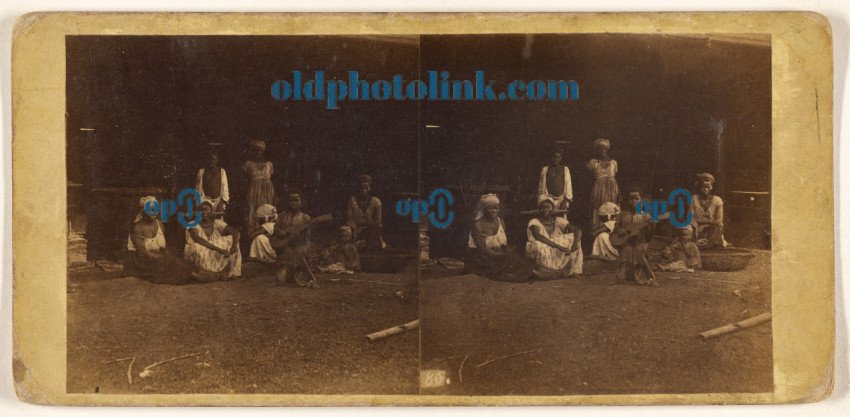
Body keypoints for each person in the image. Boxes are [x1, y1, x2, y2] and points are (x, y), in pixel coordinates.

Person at [124, 196, 191, 283]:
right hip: (140, 262)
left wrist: (168, 256)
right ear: (143, 211)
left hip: (155, 257)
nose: (153, 212)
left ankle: (194, 274)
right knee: (170, 270)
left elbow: (163, 247)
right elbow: (142, 253)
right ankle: (193, 276)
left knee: (176, 263)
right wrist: (161, 259)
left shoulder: (159, 224)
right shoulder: (137, 227)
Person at [184, 198, 242, 282]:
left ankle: (230, 273)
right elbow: (198, 239)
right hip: (203, 249)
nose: (203, 212)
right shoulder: (193, 224)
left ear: (211, 211)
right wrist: (220, 250)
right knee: (196, 247)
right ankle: (210, 274)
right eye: (201, 210)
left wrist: (234, 245)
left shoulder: (217, 223)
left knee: (231, 239)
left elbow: (236, 232)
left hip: (213, 250)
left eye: (206, 209)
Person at [525, 194, 583, 279]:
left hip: (556, 251)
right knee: (537, 244)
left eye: (547, 207)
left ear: (553, 208)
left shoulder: (559, 220)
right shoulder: (534, 222)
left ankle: (572, 270)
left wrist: (575, 243)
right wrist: (560, 247)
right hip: (545, 247)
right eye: (542, 208)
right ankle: (547, 272)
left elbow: (577, 230)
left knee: (573, 237)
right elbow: (539, 237)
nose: (544, 210)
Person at [610, 187, 656, 286]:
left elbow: (649, 235)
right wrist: (620, 230)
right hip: (625, 242)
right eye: (631, 199)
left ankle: (649, 278)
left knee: (638, 251)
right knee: (627, 250)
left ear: (641, 200)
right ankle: (620, 277)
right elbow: (615, 229)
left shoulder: (645, 216)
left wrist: (649, 226)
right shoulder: (622, 214)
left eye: (636, 198)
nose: (633, 201)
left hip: (641, 242)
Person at [273, 190, 319, 288]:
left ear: (301, 202)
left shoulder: (305, 218)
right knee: (287, 253)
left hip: (300, 244)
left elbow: (308, 237)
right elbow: (275, 230)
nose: (293, 203)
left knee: (299, 253)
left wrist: (311, 228)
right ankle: (288, 277)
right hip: (285, 245)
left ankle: (309, 280)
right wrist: (280, 232)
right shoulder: (282, 216)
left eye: (296, 200)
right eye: (291, 200)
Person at [467, 193, 513, 277]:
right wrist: (502, 255)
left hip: (498, 256)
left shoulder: (501, 222)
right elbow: (483, 249)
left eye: (497, 208)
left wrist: (508, 252)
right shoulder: (477, 225)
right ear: (484, 209)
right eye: (492, 208)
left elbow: (505, 244)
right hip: (482, 258)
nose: (495, 211)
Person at [586, 138, 619, 228]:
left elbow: (615, 177)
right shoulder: (593, 163)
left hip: (611, 189)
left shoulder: (613, 163)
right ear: (597, 151)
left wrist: (617, 191)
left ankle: (610, 230)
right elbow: (590, 179)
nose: (602, 151)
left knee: (611, 207)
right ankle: (598, 229)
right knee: (598, 208)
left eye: (604, 149)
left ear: (607, 150)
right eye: (600, 149)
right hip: (598, 189)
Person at [242, 139, 275, 230]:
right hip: (254, 191)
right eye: (255, 150)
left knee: (267, 210)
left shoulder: (269, 164)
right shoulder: (249, 164)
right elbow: (244, 181)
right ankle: (253, 232)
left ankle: (266, 231)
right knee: (253, 210)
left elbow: (273, 179)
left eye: (259, 150)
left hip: (267, 192)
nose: (257, 152)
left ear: (263, 151)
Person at [346, 173, 384, 250]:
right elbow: (349, 220)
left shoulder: (376, 201)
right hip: (355, 230)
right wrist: (355, 231)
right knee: (345, 232)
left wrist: (364, 229)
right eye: (361, 187)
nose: (364, 190)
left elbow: (377, 222)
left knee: (375, 231)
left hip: (370, 230)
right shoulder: (352, 200)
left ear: (370, 188)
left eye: (366, 187)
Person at [692, 172, 728, 248]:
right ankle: (701, 242)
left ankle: (707, 243)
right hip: (696, 229)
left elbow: (719, 221)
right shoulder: (692, 199)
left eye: (708, 187)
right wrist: (709, 221)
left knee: (717, 226)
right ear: (699, 187)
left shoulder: (717, 200)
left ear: (712, 187)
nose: (706, 189)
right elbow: (690, 219)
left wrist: (711, 223)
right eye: (703, 187)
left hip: (711, 230)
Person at [537, 147, 573, 219]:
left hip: (561, 199)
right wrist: (542, 200)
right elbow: (541, 186)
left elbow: (568, 185)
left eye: (557, 157)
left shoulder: (565, 169)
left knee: (561, 220)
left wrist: (566, 200)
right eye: (553, 157)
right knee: (548, 219)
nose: (555, 159)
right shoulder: (545, 169)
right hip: (548, 199)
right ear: (550, 157)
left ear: (561, 158)